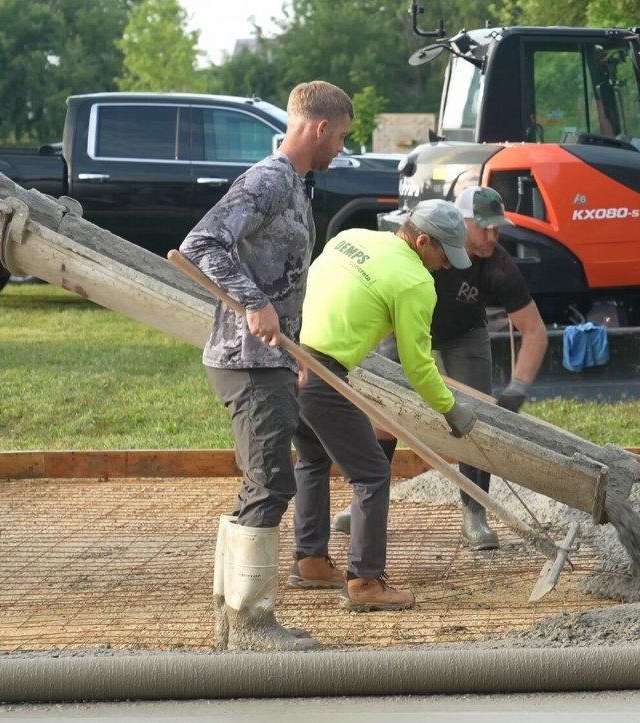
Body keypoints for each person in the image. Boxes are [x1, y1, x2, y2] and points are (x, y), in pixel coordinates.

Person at [180, 80, 353, 651]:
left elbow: (286, 279)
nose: (341, 151)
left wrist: (293, 352)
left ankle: (232, 620)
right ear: (320, 127)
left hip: (271, 360)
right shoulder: (269, 179)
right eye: (342, 138)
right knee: (270, 480)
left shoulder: (296, 187)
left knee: (267, 478)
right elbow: (203, 244)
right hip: (246, 358)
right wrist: (253, 303)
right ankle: (251, 624)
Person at [332, 186, 548, 550]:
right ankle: (365, 507)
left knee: (475, 416)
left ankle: (474, 513)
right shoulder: (419, 247)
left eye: (498, 229)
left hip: (465, 334)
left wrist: (518, 388)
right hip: (401, 326)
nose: (492, 237)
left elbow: (535, 331)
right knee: (384, 413)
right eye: (484, 229)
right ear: (460, 224)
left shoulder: (498, 265)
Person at [289, 198, 479, 612]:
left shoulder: (350, 238)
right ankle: (365, 582)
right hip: (322, 372)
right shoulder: (414, 281)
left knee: (312, 458)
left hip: (287, 360)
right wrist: (450, 408)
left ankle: (311, 560)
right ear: (423, 240)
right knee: (373, 472)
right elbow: (418, 364)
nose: (446, 265)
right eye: (444, 255)